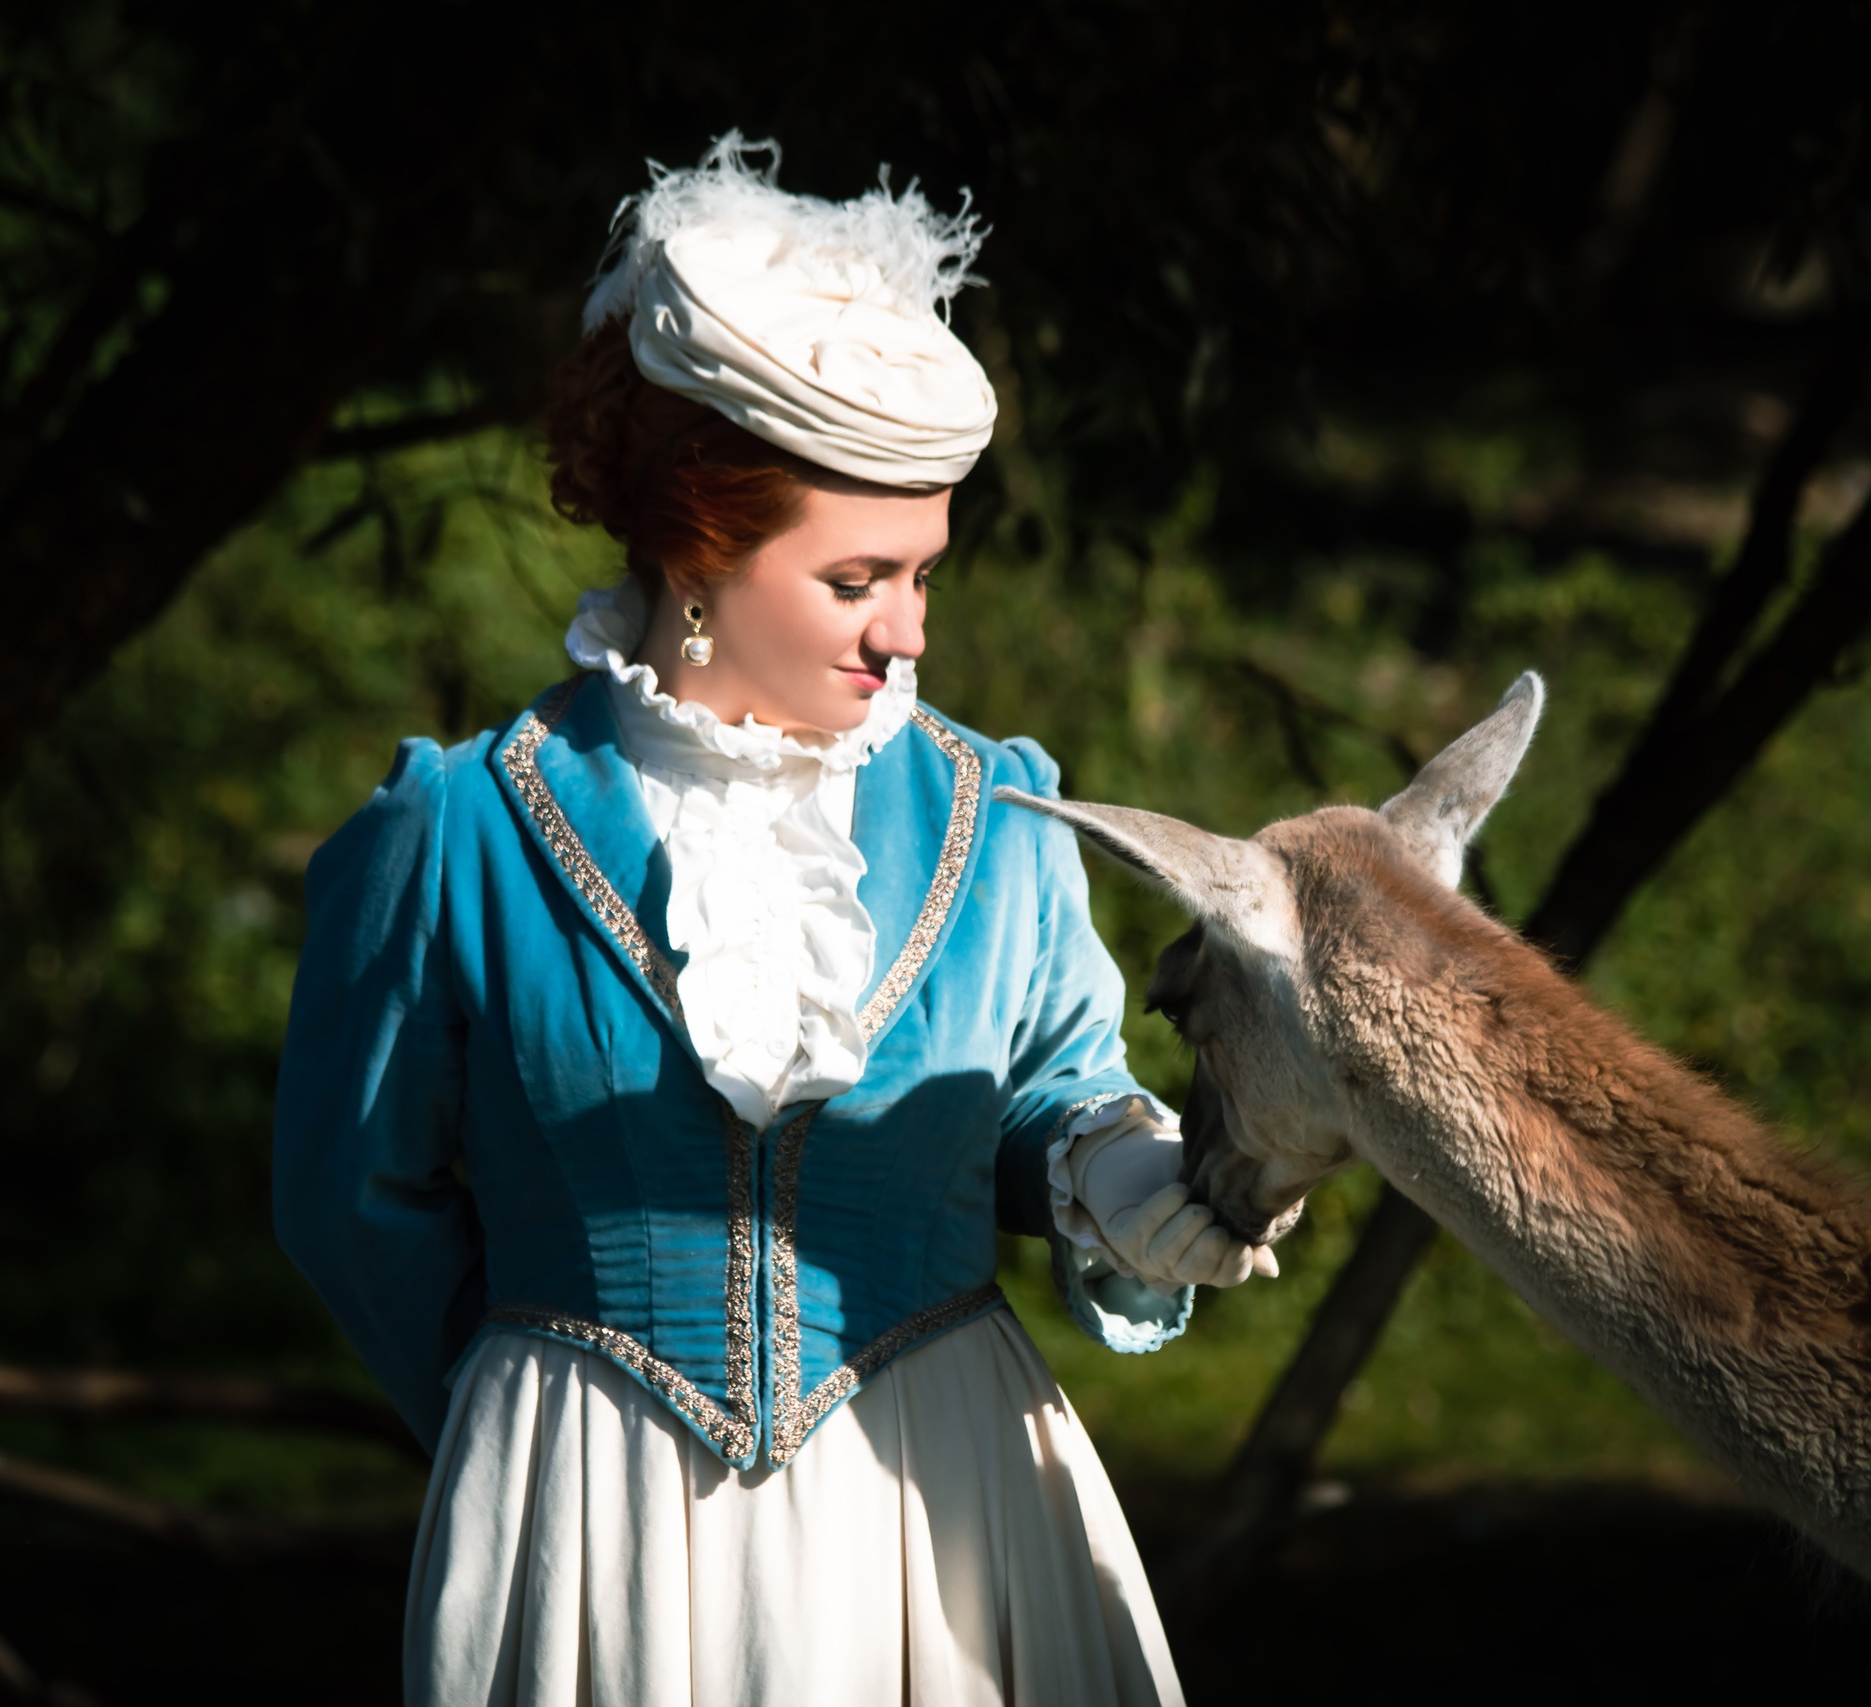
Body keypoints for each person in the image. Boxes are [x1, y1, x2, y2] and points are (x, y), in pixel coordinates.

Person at [273, 134, 1274, 1707]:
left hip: (934, 1499)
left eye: (926, 573)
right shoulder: (456, 832)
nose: (908, 632)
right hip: (587, 1526)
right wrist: (528, 1406)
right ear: (697, 542)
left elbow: (1049, 1089)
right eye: (858, 576)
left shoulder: (997, 816)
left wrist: (1124, 1180)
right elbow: (352, 1198)